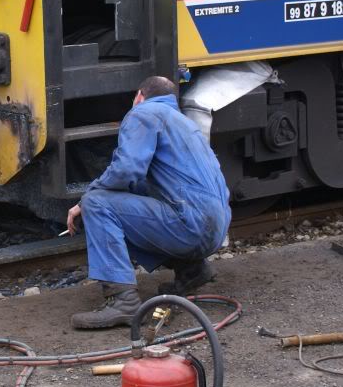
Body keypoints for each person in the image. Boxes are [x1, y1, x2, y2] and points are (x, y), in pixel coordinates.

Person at [67, 76, 230, 329]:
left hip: (191, 225)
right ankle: (192, 270)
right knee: (139, 192)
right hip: (216, 229)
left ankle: (123, 302)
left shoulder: (143, 113)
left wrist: (83, 201)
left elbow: (126, 170)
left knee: (96, 203)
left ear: (139, 96)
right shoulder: (185, 123)